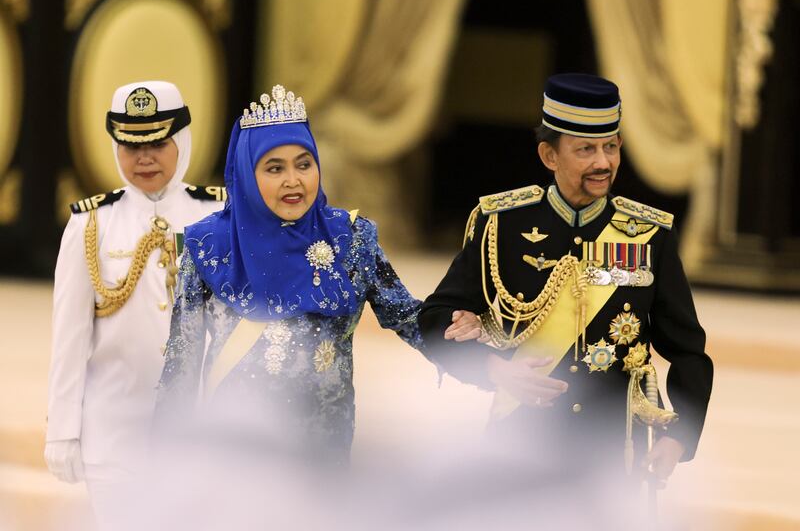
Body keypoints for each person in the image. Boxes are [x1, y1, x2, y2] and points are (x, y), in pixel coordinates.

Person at [419, 73, 713, 487]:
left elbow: (687, 352)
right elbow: (434, 318)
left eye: (611, 147)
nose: (603, 163)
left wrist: (677, 438)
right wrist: (493, 369)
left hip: (612, 450)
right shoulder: (501, 224)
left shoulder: (649, 235)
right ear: (549, 155)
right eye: (586, 149)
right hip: (518, 443)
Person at [154, 85, 427, 465]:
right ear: (247, 175)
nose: (294, 180)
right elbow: (181, 363)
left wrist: (487, 356)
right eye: (274, 168)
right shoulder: (207, 247)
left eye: (304, 163)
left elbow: (411, 319)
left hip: (321, 459)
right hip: (232, 457)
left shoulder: (352, 238)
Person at [45, 81, 226, 525]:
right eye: (130, 145)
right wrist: (63, 430)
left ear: (181, 139)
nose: (144, 157)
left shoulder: (218, 216)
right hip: (114, 435)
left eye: (158, 143)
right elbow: (69, 337)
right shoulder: (92, 224)